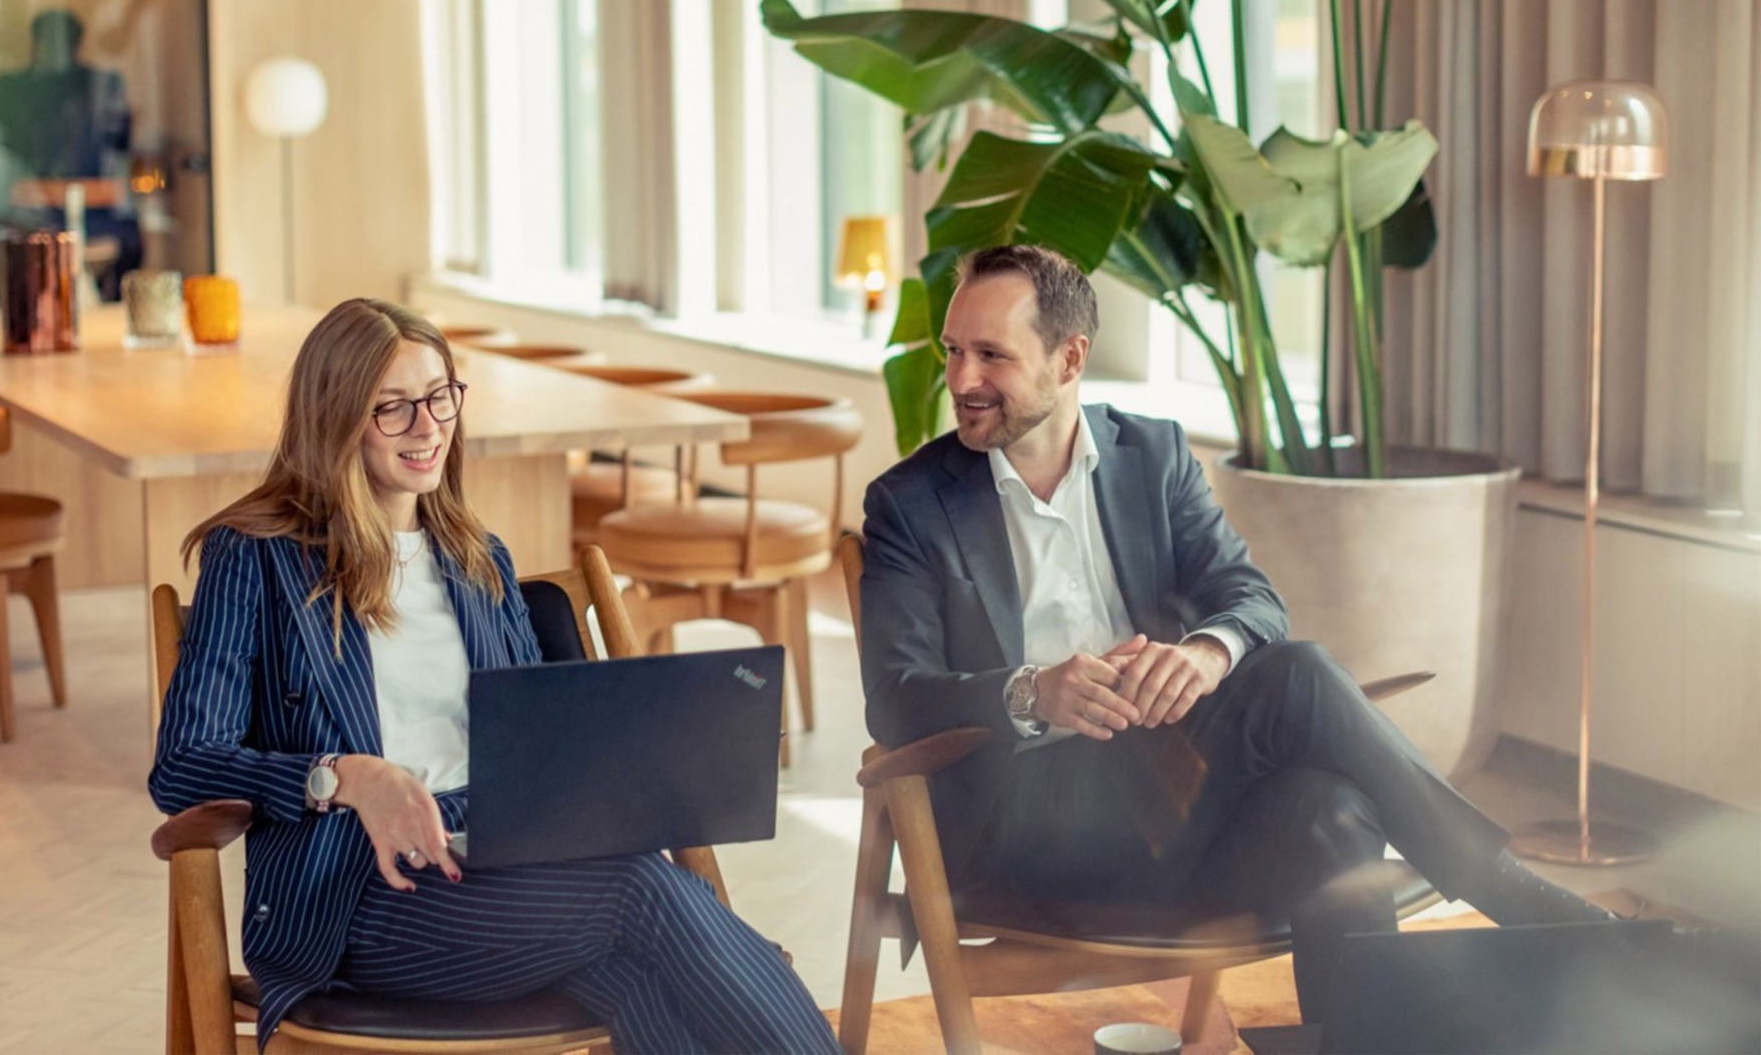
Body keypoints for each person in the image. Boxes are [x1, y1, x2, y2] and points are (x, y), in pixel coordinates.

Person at [857, 244, 1612, 1021]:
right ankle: (1531, 906)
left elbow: (1248, 598)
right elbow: (896, 698)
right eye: (953, 350)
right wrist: (1033, 690)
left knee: (1331, 811)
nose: (960, 379)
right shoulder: (911, 505)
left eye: (991, 355)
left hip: (1173, 810)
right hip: (1027, 826)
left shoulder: (1150, 455)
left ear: (1070, 356)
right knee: (1299, 675)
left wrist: (1204, 655)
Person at [150, 298, 840, 1053]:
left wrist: (682, 745)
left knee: (640, 978)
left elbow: (547, 738)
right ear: (335, 416)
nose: (429, 425)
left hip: (504, 858)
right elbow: (183, 765)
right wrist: (344, 778)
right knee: (639, 891)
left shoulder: (480, 560)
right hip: (360, 895)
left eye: (441, 394)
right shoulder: (253, 555)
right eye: (394, 407)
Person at [0, 8, 138, 298]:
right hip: (29, 219)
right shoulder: (13, 90)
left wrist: (65, 192)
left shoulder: (102, 87)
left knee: (127, 246)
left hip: (95, 219)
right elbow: (3, 168)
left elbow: (117, 169)